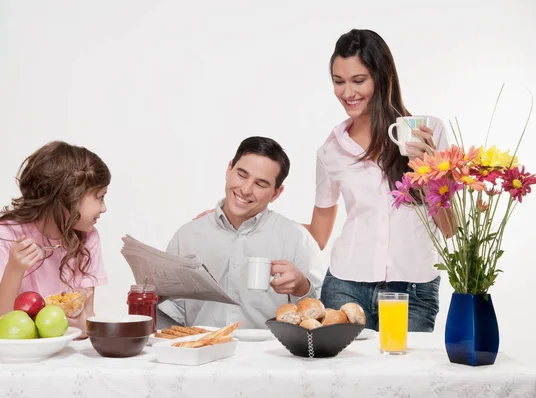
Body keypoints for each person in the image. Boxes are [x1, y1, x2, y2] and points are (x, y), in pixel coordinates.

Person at [305, 29, 454, 332]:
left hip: (413, 291)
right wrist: (255, 216)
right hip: (345, 286)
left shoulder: (429, 132)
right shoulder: (331, 149)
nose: (347, 93)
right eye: (339, 81)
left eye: (358, 80)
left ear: (382, 76)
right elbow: (318, 234)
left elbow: (452, 228)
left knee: (404, 378)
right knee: (340, 379)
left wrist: (427, 167)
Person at [158, 136, 325, 329]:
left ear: (276, 193)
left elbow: (322, 316)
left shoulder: (296, 239)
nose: (245, 190)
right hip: (203, 352)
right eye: (241, 175)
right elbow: (171, 312)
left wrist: (302, 288)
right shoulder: (188, 236)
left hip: (270, 356)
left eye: (260, 184)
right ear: (229, 169)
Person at [0, 141, 111, 338]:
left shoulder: (87, 238)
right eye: (100, 197)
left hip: (65, 349)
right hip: (20, 350)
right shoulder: (6, 235)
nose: (104, 208)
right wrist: (15, 268)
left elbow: (87, 319)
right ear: (69, 196)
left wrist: (83, 325)